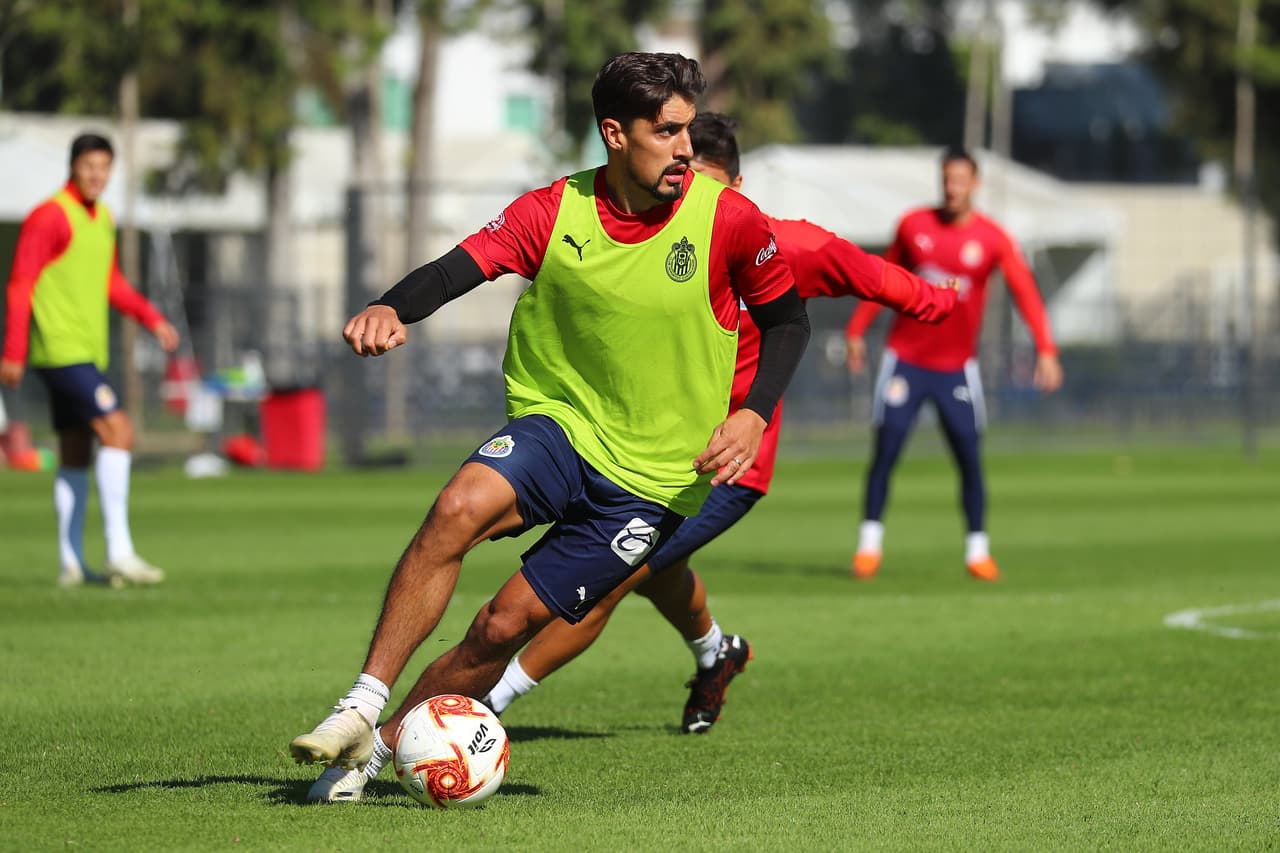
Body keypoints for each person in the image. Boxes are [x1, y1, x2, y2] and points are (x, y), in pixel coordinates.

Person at [290, 53, 811, 803]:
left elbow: (789, 321)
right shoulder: (552, 210)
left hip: (655, 482)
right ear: (615, 134)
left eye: (688, 131)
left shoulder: (728, 218)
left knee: (500, 628)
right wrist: (391, 307)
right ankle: (361, 705)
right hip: (559, 426)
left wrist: (754, 411)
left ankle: (370, 758)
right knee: (455, 507)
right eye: (666, 132)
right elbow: (456, 267)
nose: (686, 149)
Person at [477, 113, 958, 732]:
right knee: (658, 572)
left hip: (728, 467)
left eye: (707, 185)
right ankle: (717, 653)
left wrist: (945, 297)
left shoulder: (789, 246)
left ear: (738, 184)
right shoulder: (646, 246)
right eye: (678, 183)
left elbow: (884, 281)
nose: (692, 202)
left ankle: (486, 704)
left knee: (610, 579)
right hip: (641, 446)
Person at [845, 147, 1063, 582]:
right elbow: (882, 277)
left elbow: (1024, 290)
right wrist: (856, 329)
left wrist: (1046, 347)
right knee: (886, 452)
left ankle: (977, 550)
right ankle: (869, 546)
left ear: (975, 183)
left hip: (957, 368)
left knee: (968, 456)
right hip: (904, 360)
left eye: (961, 179)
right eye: (947, 178)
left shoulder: (992, 238)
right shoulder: (913, 226)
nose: (952, 187)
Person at [1, 132, 179, 587]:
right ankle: (120, 551)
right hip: (60, 350)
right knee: (118, 429)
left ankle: (72, 562)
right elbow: (20, 284)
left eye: (104, 167)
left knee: (76, 451)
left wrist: (151, 318)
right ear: (73, 165)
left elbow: (111, 282)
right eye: (89, 166)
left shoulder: (101, 219)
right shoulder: (49, 217)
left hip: (85, 351)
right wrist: (13, 351)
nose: (96, 175)